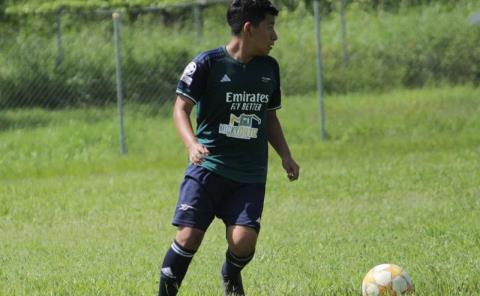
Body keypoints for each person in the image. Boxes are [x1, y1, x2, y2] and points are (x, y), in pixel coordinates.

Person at [158, 0, 299, 295]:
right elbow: (180, 109)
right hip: (208, 168)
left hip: (249, 173)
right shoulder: (207, 64)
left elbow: (269, 117)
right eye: (270, 28)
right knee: (188, 236)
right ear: (249, 29)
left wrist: (285, 155)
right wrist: (192, 143)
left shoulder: (269, 69)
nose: (275, 37)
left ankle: (230, 274)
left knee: (243, 241)